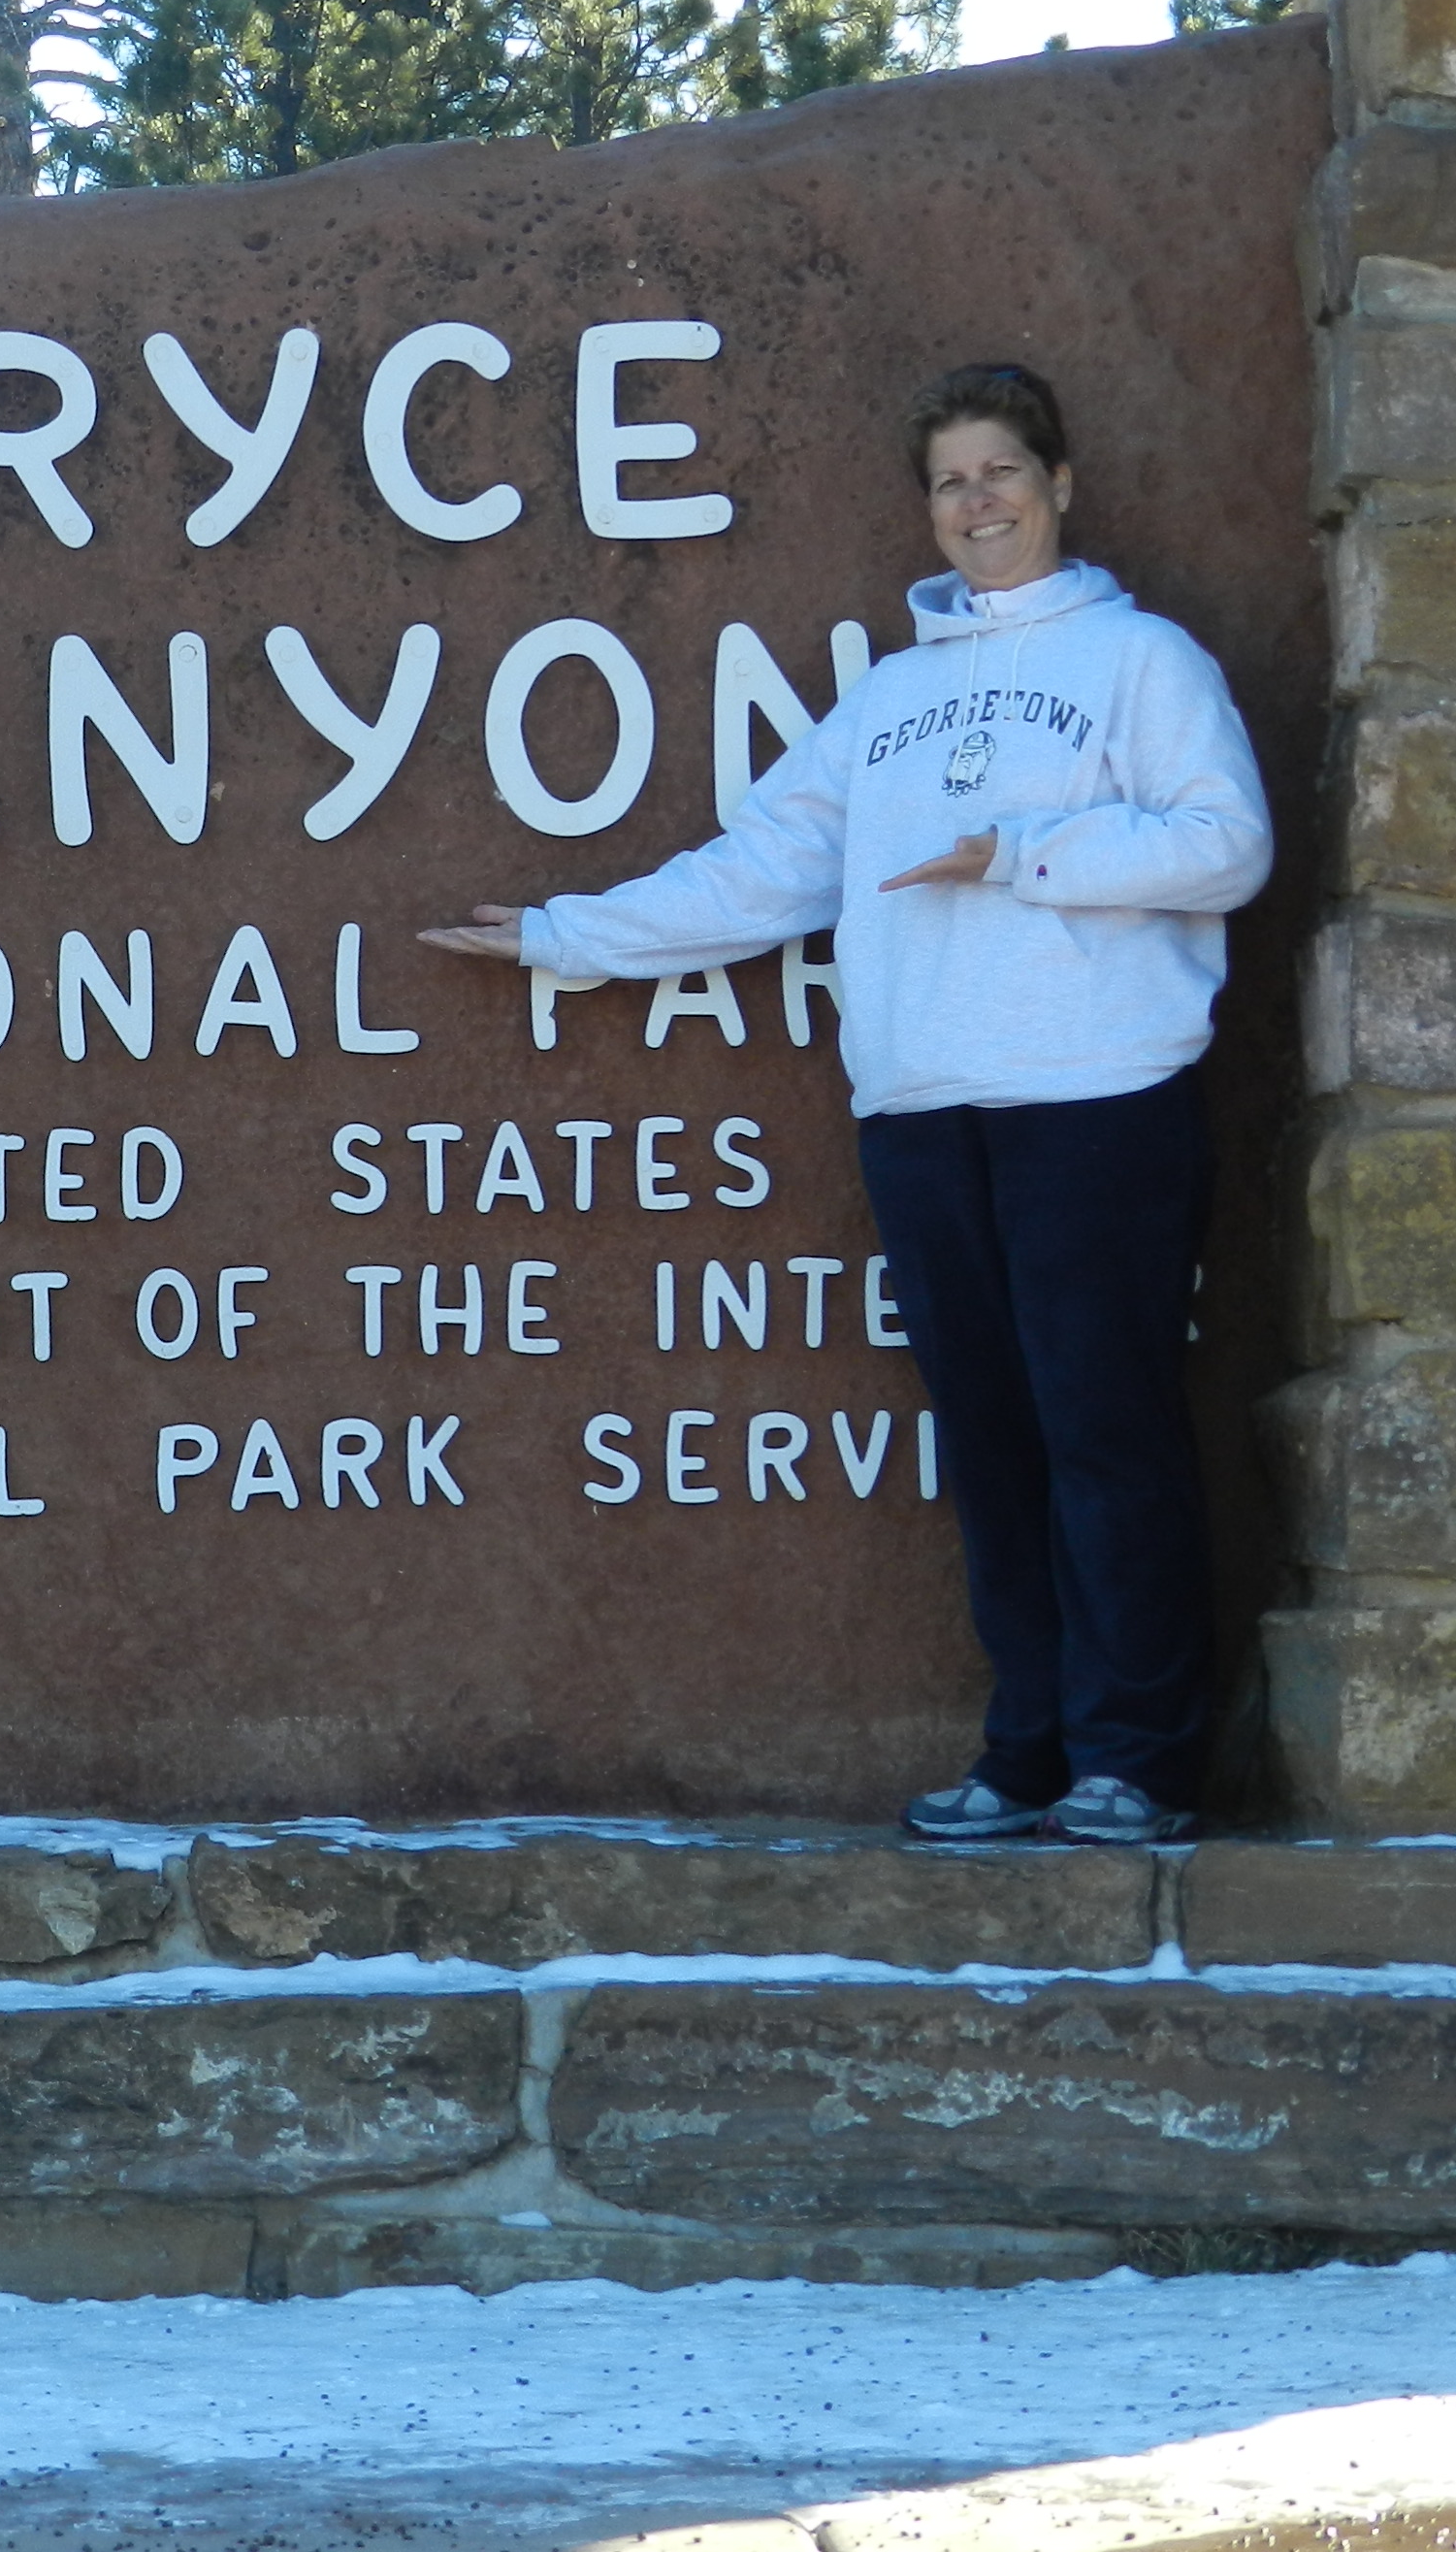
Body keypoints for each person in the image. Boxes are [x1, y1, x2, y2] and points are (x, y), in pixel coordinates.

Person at [420, 363, 1272, 1846]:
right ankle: (1029, 1751)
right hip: (923, 1112)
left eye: (1002, 471)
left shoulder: (1143, 662)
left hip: (1095, 1102)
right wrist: (566, 934)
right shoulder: (888, 702)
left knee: (1106, 1433)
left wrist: (1022, 851)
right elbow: (763, 871)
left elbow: (1227, 844)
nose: (978, 501)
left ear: (1060, 485)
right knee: (993, 1447)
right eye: (951, 482)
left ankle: (1137, 1760)